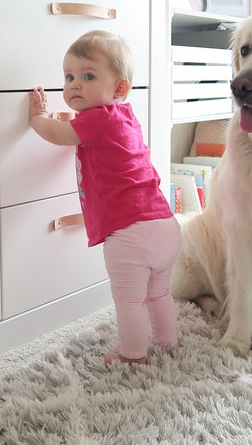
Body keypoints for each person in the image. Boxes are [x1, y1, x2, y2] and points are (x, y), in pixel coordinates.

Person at [29, 30, 181, 366]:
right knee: (158, 292)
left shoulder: (94, 119)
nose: (74, 85)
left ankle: (133, 355)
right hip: (165, 225)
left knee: (129, 300)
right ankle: (167, 341)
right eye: (68, 77)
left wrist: (39, 117)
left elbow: (58, 134)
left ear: (119, 88)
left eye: (88, 76)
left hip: (130, 233)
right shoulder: (125, 117)